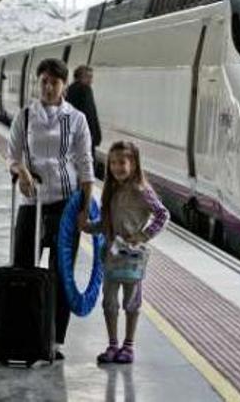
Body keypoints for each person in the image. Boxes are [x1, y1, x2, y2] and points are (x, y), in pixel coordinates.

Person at [0, 58, 94, 360]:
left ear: (63, 85)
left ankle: (53, 339)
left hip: (66, 206)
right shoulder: (25, 117)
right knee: (22, 266)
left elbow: (85, 165)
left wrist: (83, 209)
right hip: (31, 203)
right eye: (44, 81)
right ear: (38, 83)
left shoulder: (77, 119)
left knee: (61, 274)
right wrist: (22, 172)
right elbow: (11, 156)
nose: (49, 87)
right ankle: (21, 331)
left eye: (55, 82)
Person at [85, 141, 169, 365]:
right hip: (112, 256)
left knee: (132, 302)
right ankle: (113, 345)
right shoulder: (111, 189)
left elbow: (162, 214)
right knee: (109, 302)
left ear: (134, 163)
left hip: (132, 257)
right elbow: (106, 223)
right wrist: (88, 226)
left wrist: (143, 236)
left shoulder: (142, 190)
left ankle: (128, 346)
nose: (116, 167)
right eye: (112, 163)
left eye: (122, 162)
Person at [65, 65, 102, 167]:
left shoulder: (69, 90)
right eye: (89, 77)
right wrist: (96, 136)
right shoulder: (85, 89)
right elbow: (90, 114)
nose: (91, 80)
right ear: (81, 77)